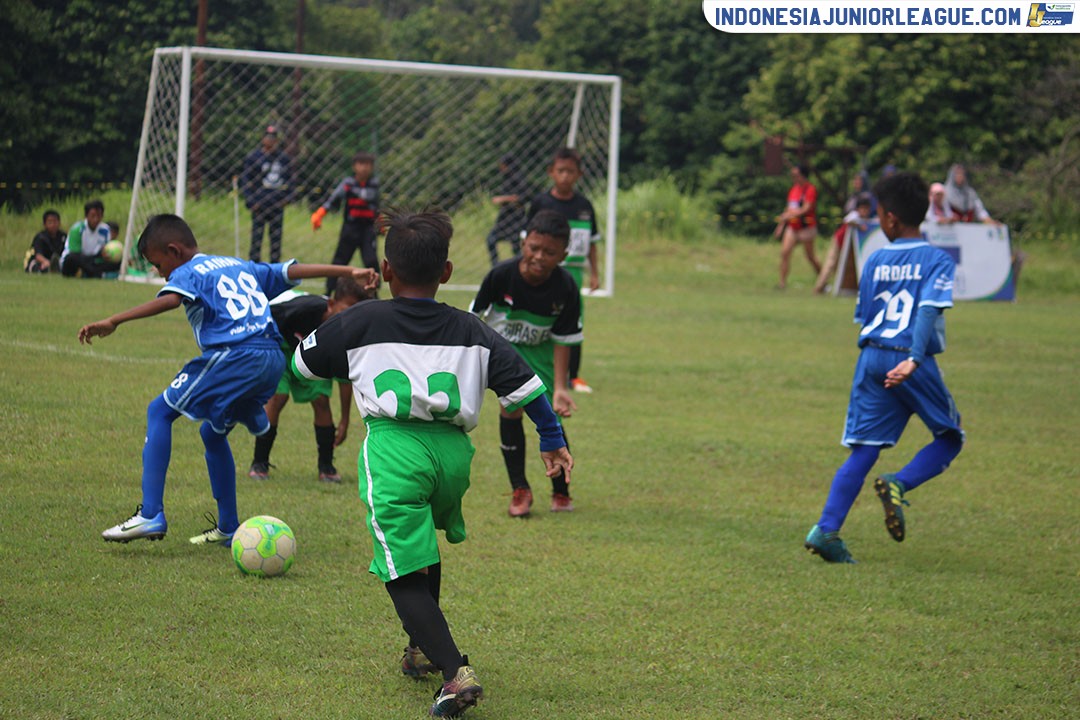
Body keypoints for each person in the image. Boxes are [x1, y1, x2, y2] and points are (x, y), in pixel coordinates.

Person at [293, 207, 573, 718]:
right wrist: (552, 438)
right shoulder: (473, 330)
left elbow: (305, 362)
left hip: (396, 448)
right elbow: (528, 388)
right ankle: (419, 648)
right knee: (419, 546)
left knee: (399, 569)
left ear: (386, 268)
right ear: (445, 273)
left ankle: (454, 671)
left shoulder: (362, 319)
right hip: (452, 457)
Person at [78, 213, 377, 547]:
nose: (159, 272)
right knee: (212, 432)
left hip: (235, 355)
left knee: (159, 412)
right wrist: (349, 271)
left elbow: (170, 300)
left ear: (174, 251)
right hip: (272, 358)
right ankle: (229, 525)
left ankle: (150, 514)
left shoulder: (188, 272)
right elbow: (294, 271)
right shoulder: (238, 264)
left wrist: (114, 320)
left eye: (157, 264)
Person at [804, 172, 964, 564]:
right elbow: (927, 308)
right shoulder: (937, 261)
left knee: (863, 450)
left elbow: (865, 315)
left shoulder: (874, 259)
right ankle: (898, 483)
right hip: (911, 357)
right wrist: (913, 357)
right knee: (949, 437)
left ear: (890, 218)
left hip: (871, 356)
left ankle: (825, 530)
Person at [471, 209, 580, 516]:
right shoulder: (500, 276)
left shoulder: (566, 287)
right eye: (534, 248)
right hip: (502, 350)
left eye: (549, 252)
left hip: (540, 352)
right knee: (511, 406)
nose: (539, 256)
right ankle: (520, 489)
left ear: (563, 254)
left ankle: (561, 490)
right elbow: (472, 320)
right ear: (523, 243)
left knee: (547, 410)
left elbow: (564, 339)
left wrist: (560, 387)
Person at [248, 277, 374, 483]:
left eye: (356, 313)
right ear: (331, 304)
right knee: (277, 398)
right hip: (279, 346)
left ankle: (326, 467)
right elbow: (267, 316)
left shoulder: (347, 334)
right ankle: (259, 462)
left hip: (311, 352)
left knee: (321, 400)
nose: (350, 317)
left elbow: (345, 379)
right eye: (347, 309)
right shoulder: (306, 308)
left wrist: (344, 421)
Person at [525, 147, 599, 394]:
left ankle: (573, 377)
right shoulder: (541, 203)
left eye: (571, 171)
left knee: (573, 322)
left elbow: (593, 242)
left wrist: (595, 273)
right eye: (561, 171)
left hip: (574, 274)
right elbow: (527, 239)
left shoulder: (584, 206)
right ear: (551, 173)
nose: (565, 176)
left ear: (579, 174)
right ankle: (535, 369)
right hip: (544, 272)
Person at [312, 152, 380, 293]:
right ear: (355, 166)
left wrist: (381, 224)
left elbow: (376, 207)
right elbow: (333, 199)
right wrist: (320, 213)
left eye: (368, 164)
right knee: (340, 261)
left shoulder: (374, 185)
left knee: (371, 261)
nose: (364, 168)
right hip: (351, 228)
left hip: (368, 229)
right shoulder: (348, 184)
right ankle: (328, 291)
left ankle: (374, 292)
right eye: (361, 164)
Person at [241, 125, 293, 263]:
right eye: (268, 137)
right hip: (259, 204)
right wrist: (251, 201)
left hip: (276, 204)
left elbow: (292, 180)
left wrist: (287, 199)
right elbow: (246, 179)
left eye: (273, 138)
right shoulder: (254, 157)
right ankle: (254, 268)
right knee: (256, 239)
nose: (270, 141)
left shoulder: (283, 158)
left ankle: (275, 270)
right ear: (263, 138)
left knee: (276, 241)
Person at [774, 164, 822, 290]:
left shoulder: (810, 189)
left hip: (806, 227)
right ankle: (782, 283)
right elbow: (789, 209)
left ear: (803, 175)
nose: (793, 177)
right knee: (785, 253)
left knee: (810, 257)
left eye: (796, 175)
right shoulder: (793, 190)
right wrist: (781, 225)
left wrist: (790, 215)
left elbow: (807, 208)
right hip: (792, 227)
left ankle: (822, 281)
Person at [814, 194, 875, 294]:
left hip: (846, 246)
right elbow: (848, 220)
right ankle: (819, 287)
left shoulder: (866, 219)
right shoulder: (854, 215)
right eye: (863, 209)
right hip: (838, 241)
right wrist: (859, 225)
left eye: (867, 209)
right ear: (858, 208)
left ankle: (828, 286)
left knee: (838, 267)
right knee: (830, 264)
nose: (865, 212)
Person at [484, 153, 530, 266]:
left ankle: (519, 267)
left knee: (515, 246)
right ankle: (495, 265)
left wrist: (502, 199)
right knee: (491, 239)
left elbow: (521, 197)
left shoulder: (518, 178)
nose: (501, 168)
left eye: (502, 165)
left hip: (515, 218)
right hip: (504, 217)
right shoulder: (506, 178)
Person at [60, 199, 120, 278]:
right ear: (86, 215)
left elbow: (105, 251)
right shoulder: (77, 229)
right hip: (79, 260)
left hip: (94, 261)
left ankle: (88, 273)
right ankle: (95, 273)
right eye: (93, 216)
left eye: (98, 216)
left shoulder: (105, 230)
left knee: (117, 262)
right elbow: (75, 254)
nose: (95, 219)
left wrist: (106, 255)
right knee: (71, 259)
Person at [25, 209, 66, 273]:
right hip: (40, 261)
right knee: (38, 266)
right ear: (45, 224)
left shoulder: (63, 236)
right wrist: (46, 262)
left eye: (55, 222)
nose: (53, 225)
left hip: (57, 262)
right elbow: (38, 255)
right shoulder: (40, 237)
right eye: (50, 222)